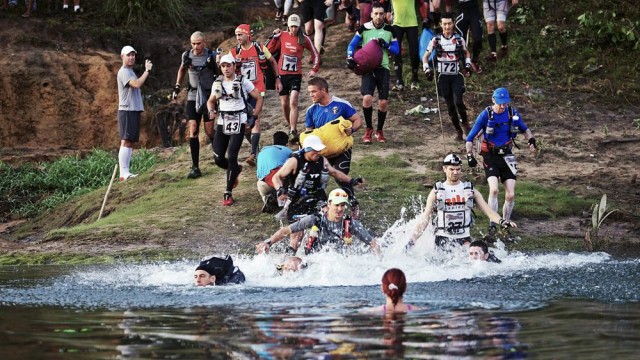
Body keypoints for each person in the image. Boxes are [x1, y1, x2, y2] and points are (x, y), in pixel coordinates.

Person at [408, 153, 516, 249]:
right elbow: (425, 218)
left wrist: (502, 221)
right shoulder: (436, 191)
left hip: (464, 239)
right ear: (444, 169)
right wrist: (413, 239)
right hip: (442, 239)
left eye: (458, 169)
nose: (455, 172)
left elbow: (488, 211)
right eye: (451, 169)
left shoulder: (470, 190)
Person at [465, 87, 536, 229]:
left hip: (507, 155)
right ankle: (493, 222)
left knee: (510, 194)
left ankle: (505, 223)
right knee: (494, 190)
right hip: (490, 156)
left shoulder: (511, 113)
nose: (503, 106)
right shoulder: (485, 114)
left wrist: (531, 140)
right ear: (493, 100)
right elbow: (470, 137)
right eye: (500, 103)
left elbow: (525, 129)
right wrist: (469, 155)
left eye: (505, 103)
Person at [206, 54, 264, 206]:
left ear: (234, 66)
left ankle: (228, 192)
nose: (226, 69)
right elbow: (211, 101)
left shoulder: (243, 81)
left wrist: (254, 116)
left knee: (232, 156)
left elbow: (258, 97)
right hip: (222, 121)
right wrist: (211, 110)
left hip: (239, 120)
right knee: (218, 158)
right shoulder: (217, 83)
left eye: (228, 65)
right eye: (223, 66)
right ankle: (236, 170)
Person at [272, 135, 363, 227]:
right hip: (297, 199)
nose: (318, 153)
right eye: (315, 150)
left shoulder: (322, 160)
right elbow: (276, 177)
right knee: (297, 234)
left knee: (330, 221)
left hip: (317, 196)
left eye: (319, 150)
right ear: (307, 149)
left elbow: (334, 172)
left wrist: (352, 181)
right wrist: (280, 189)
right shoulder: (294, 161)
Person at [257, 188, 380, 255]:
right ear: (329, 204)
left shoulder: (350, 223)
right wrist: (268, 243)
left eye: (343, 205)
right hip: (313, 260)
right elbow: (286, 230)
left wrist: (380, 262)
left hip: (339, 262)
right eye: (336, 205)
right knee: (293, 265)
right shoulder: (315, 219)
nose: (339, 209)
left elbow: (373, 243)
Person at [303, 77, 363, 211]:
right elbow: (309, 135)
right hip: (322, 152)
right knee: (314, 181)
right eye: (309, 92)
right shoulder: (311, 110)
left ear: (323, 90)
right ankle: (327, 208)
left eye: (313, 92)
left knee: (340, 177)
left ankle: (353, 204)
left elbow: (358, 120)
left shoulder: (341, 104)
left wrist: (352, 129)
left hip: (341, 150)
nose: (311, 95)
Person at [230, 24, 283, 166]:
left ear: (248, 35)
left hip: (258, 89)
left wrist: (277, 78)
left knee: (255, 118)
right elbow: (225, 66)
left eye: (240, 35)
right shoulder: (234, 51)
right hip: (241, 91)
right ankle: (256, 149)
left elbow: (272, 60)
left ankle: (253, 153)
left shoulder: (259, 47)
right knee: (244, 123)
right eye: (236, 35)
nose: (238, 38)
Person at [347, 2, 399, 144]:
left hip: (383, 68)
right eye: (376, 14)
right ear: (371, 15)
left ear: (384, 15)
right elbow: (351, 45)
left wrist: (386, 45)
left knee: (383, 102)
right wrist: (350, 58)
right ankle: (369, 129)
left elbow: (397, 50)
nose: (378, 16)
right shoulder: (364, 28)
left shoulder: (390, 30)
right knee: (367, 99)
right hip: (368, 69)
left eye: (381, 14)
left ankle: (379, 131)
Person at [172, 31, 221, 179]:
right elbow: (181, 69)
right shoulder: (187, 55)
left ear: (204, 43)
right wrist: (177, 86)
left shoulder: (210, 55)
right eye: (193, 43)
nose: (195, 46)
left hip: (208, 97)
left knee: (209, 131)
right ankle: (195, 167)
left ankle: (219, 156)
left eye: (198, 43)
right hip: (193, 96)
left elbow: (218, 73)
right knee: (193, 129)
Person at [267, 14, 320, 141]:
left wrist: (314, 69)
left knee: (293, 101)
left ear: (299, 26)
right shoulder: (282, 36)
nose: (293, 29)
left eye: (296, 26)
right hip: (281, 75)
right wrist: (274, 38)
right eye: (291, 26)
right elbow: (268, 50)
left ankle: (292, 129)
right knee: (285, 103)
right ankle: (291, 125)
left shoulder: (304, 39)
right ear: (288, 26)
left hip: (296, 75)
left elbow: (315, 53)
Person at [422, 12, 473, 141]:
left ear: (453, 24)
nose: (447, 26)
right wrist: (427, 70)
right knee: (450, 106)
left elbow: (467, 53)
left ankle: (465, 123)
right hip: (443, 77)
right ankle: (458, 130)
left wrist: (467, 65)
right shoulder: (436, 39)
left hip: (456, 75)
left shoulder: (459, 38)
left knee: (458, 101)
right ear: (441, 24)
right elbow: (425, 56)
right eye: (444, 24)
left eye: (449, 23)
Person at [117, 45, 152, 182]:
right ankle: (123, 173)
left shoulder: (130, 71)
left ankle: (126, 171)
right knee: (126, 140)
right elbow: (136, 84)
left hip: (132, 109)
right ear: (122, 57)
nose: (131, 57)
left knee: (129, 141)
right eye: (128, 55)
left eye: (133, 55)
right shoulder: (124, 72)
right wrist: (147, 71)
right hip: (127, 110)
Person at [389, 0, 428, 91]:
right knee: (396, 51)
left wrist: (425, 18)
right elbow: (382, 2)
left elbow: (422, 3)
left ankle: (415, 79)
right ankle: (399, 81)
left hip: (412, 24)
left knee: (414, 52)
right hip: (396, 24)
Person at [256, 131, 293, 213]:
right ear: (286, 143)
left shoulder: (262, 151)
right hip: (277, 181)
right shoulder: (287, 150)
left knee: (265, 192)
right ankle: (280, 198)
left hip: (261, 184)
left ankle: (267, 199)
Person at [454, 0, 484, 73]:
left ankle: (474, 61)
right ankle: (463, 65)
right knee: (459, 39)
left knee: (478, 38)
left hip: (474, 9)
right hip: (461, 9)